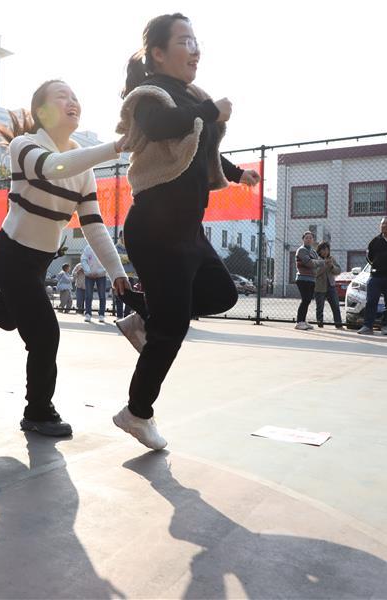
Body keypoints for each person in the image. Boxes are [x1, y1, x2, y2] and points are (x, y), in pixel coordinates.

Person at [0, 80, 128, 437]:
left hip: (40, 261)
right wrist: (114, 148)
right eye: (62, 96)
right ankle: (38, 411)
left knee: (9, 318)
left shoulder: (84, 168)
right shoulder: (24, 145)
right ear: (42, 111)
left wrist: (116, 271)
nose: (72, 101)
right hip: (11, 254)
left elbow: (93, 225)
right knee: (45, 333)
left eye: (75, 96)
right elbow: (54, 167)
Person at [113, 13, 261, 449]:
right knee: (172, 327)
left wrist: (236, 173)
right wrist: (211, 111)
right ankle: (136, 413)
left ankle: (144, 317)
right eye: (184, 41)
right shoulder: (149, 95)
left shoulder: (193, 97)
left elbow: (199, 148)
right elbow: (161, 126)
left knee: (222, 294)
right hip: (155, 226)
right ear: (158, 53)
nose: (195, 49)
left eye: (196, 41)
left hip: (187, 229)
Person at [313, 241, 343, 329]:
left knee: (336, 306)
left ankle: (339, 324)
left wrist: (331, 266)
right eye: (323, 250)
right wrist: (325, 265)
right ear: (319, 251)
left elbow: (338, 270)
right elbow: (315, 273)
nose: (325, 252)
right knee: (320, 307)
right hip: (319, 287)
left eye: (327, 250)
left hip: (331, 286)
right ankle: (320, 325)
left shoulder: (331, 259)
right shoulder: (316, 260)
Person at [293, 232, 318, 330]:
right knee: (305, 300)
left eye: (310, 238)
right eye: (306, 238)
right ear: (303, 239)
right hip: (302, 279)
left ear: (313, 240)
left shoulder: (313, 251)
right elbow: (309, 263)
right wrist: (318, 263)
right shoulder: (301, 250)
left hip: (312, 279)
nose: (308, 239)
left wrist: (316, 264)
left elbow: (316, 264)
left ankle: (303, 321)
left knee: (308, 300)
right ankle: (299, 322)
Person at [81, 243, 109, 323]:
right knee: (88, 295)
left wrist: (99, 272)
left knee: (102, 296)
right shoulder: (87, 248)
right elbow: (83, 260)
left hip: (101, 275)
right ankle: (88, 314)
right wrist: (89, 272)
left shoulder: (104, 248)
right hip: (89, 275)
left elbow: (107, 262)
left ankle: (101, 315)